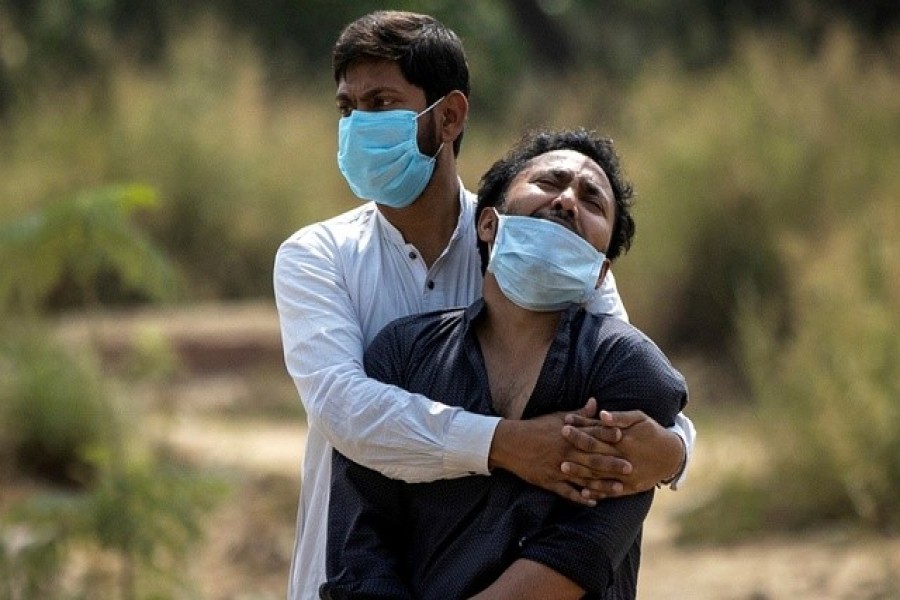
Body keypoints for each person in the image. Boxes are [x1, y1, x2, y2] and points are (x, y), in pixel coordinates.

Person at [273, 10, 696, 599]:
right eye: (347, 108)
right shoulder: (318, 257)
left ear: (448, 116)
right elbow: (344, 411)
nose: (356, 125)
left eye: (380, 104)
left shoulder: (547, 247)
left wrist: (676, 453)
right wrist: (509, 445)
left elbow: (633, 397)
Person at [321, 128, 688, 599]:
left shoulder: (627, 368)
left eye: (592, 202)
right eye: (551, 182)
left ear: (600, 272)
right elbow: (360, 548)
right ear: (488, 224)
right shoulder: (402, 354)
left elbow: (582, 550)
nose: (567, 202)